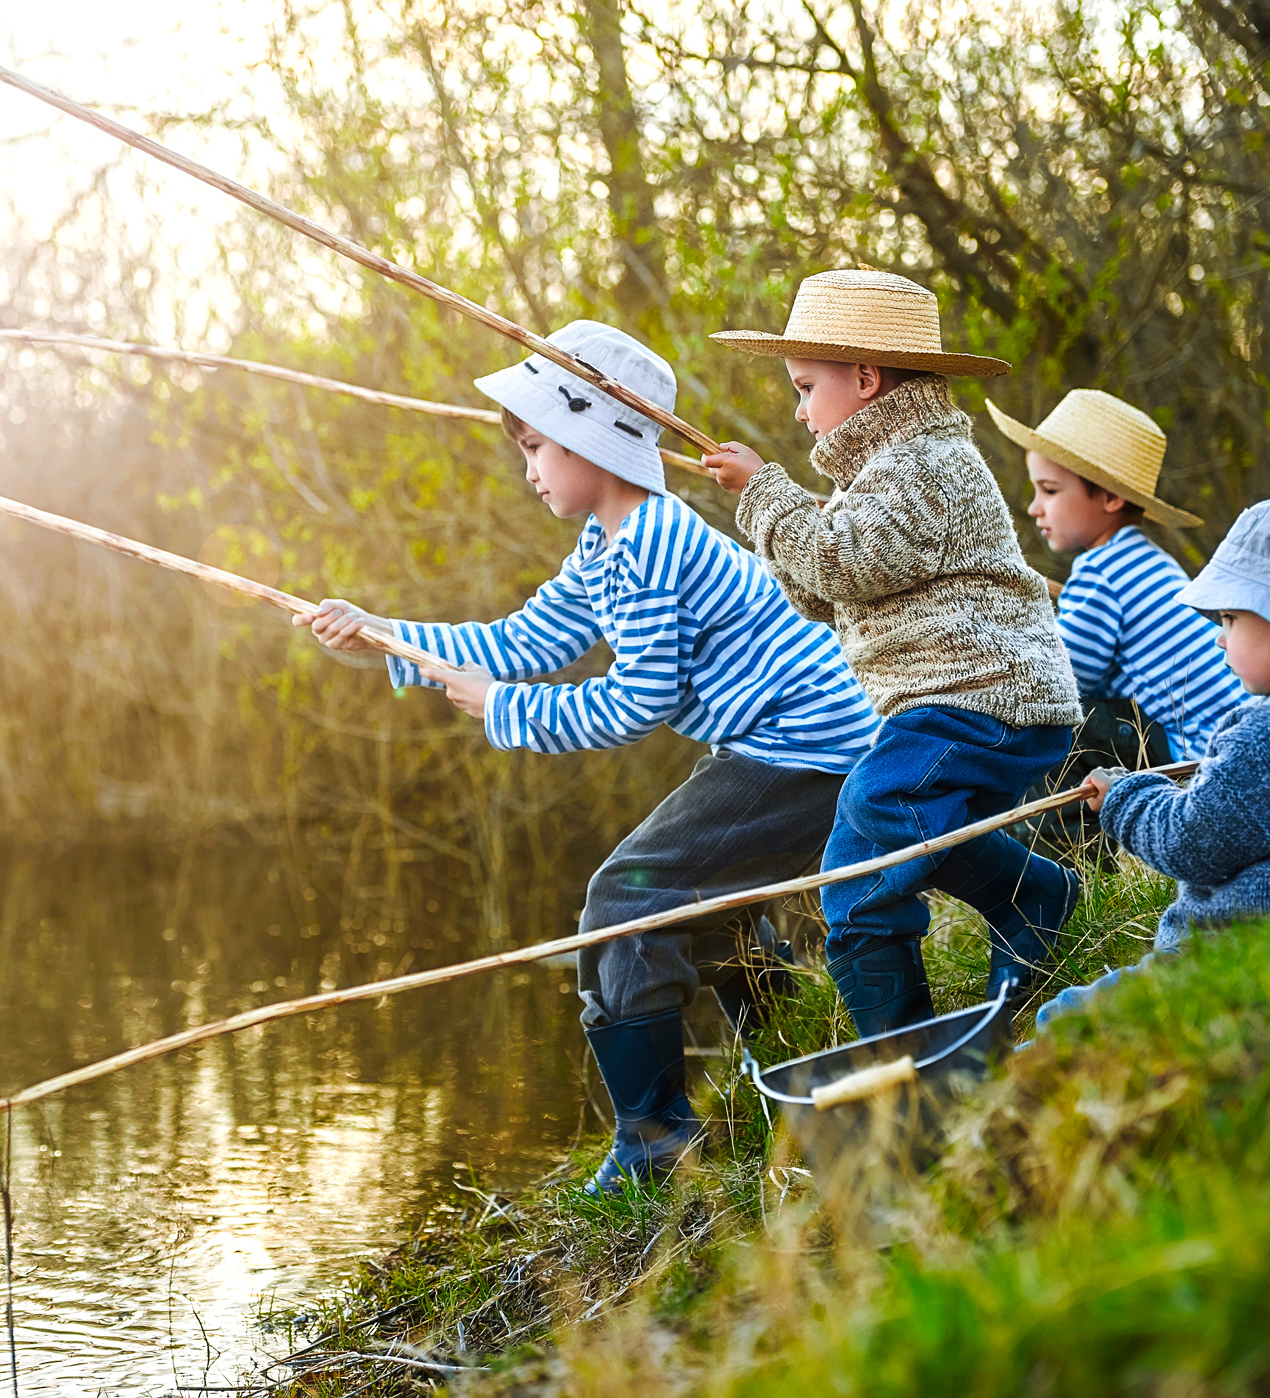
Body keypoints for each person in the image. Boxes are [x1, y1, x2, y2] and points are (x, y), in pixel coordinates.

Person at [295, 320, 879, 1194]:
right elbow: (516, 642)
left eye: (535, 447)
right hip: (782, 743)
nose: (528, 470)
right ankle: (793, 1070)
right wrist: (380, 635)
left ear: (590, 438)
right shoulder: (608, 546)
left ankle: (655, 1148)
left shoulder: (650, 544)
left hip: (810, 747)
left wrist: (504, 710)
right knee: (699, 904)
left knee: (624, 899)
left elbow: (635, 702)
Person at [704, 269, 1082, 1038]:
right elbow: (826, 595)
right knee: (906, 828)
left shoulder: (923, 464)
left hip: (985, 697)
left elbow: (841, 564)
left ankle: (904, 1053)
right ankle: (1030, 897)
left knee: (867, 837)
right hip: (958, 703)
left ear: (865, 379)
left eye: (805, 388)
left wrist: (768, 497)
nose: (800, 411)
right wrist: (776, 516)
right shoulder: (884, 471)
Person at [1034, 496, 1270, 1030]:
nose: (1219, 636)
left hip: (1226, 949)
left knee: (1063, 1020)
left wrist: (1124, 797)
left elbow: (1190, 844)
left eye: (1232, 618)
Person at [991, 390, 1245, 846]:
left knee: (1047, 725)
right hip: (1228, 747)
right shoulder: (1148, 560)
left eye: (1049, 490)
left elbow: (1060, 682)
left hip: (1196, 760)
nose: (1033, 507)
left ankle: (1070, 861)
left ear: (1109, 497)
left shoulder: (1101, 573)